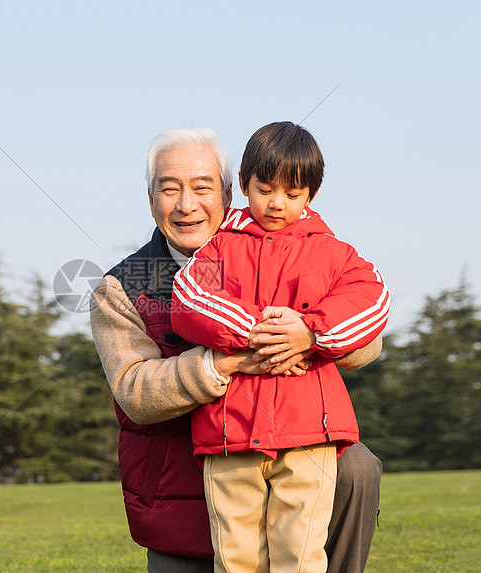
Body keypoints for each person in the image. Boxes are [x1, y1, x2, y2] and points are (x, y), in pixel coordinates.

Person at [90, 127, 383, 573]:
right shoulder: (121, 287)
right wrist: (224, 361)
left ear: (230, 192)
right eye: (170, 189)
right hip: (180, 486)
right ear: (150, 199)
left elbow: (367, 343)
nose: (187, 205)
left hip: (284, 445)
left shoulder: (294, 251)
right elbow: (135, 392)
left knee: (356, 466)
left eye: (202, 188)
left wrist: (307, 332)